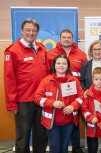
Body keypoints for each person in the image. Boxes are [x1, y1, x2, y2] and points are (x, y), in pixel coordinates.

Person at [4, 18, 48, 153]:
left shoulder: (42, 48)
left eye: (34, 30)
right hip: (23, 101)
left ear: (37, 32)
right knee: (23, 136)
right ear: (22, 31)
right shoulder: (12, 51)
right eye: (28, 30)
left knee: (41, 135)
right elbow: (9, 78)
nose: (31, 33)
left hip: (41, 100)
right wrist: (12, 103)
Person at [47, 29, 87, 153]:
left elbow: (85, 76)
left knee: (73, 119)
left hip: (75, 93)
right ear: (59, 39)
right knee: (59, 121)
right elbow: (47, 74)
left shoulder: (81, 55)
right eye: (64, 37)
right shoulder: (50, 54)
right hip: (56, 94)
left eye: (69, 37)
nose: (66, 39)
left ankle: (76, 146)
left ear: (72, 39)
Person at [34, 54, 84, 153]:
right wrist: (52, 103)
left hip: (68, 122)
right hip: (52, 123)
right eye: (59, 63)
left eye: (64, 63)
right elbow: (37, 98)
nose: (61, 65)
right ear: (54, 65)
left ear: (68, 66)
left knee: (64, 146)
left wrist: (73, 106)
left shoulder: (74, 81)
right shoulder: (46, 81)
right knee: (55, 147)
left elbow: (81, 97)